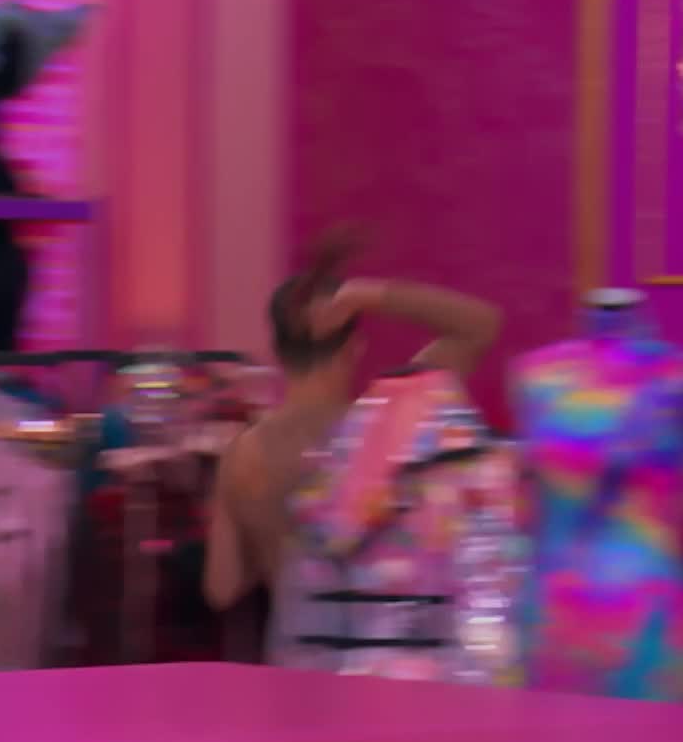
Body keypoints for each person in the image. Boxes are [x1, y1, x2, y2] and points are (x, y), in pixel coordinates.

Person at [202, 243, 502, 616]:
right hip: (387, 645)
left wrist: (270, 532)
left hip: (297, 645)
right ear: (355, 346)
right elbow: (480, 326)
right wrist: (363, 295)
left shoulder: (240, 455)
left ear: (277, 351)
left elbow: (222, 588)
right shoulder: (391, 422)